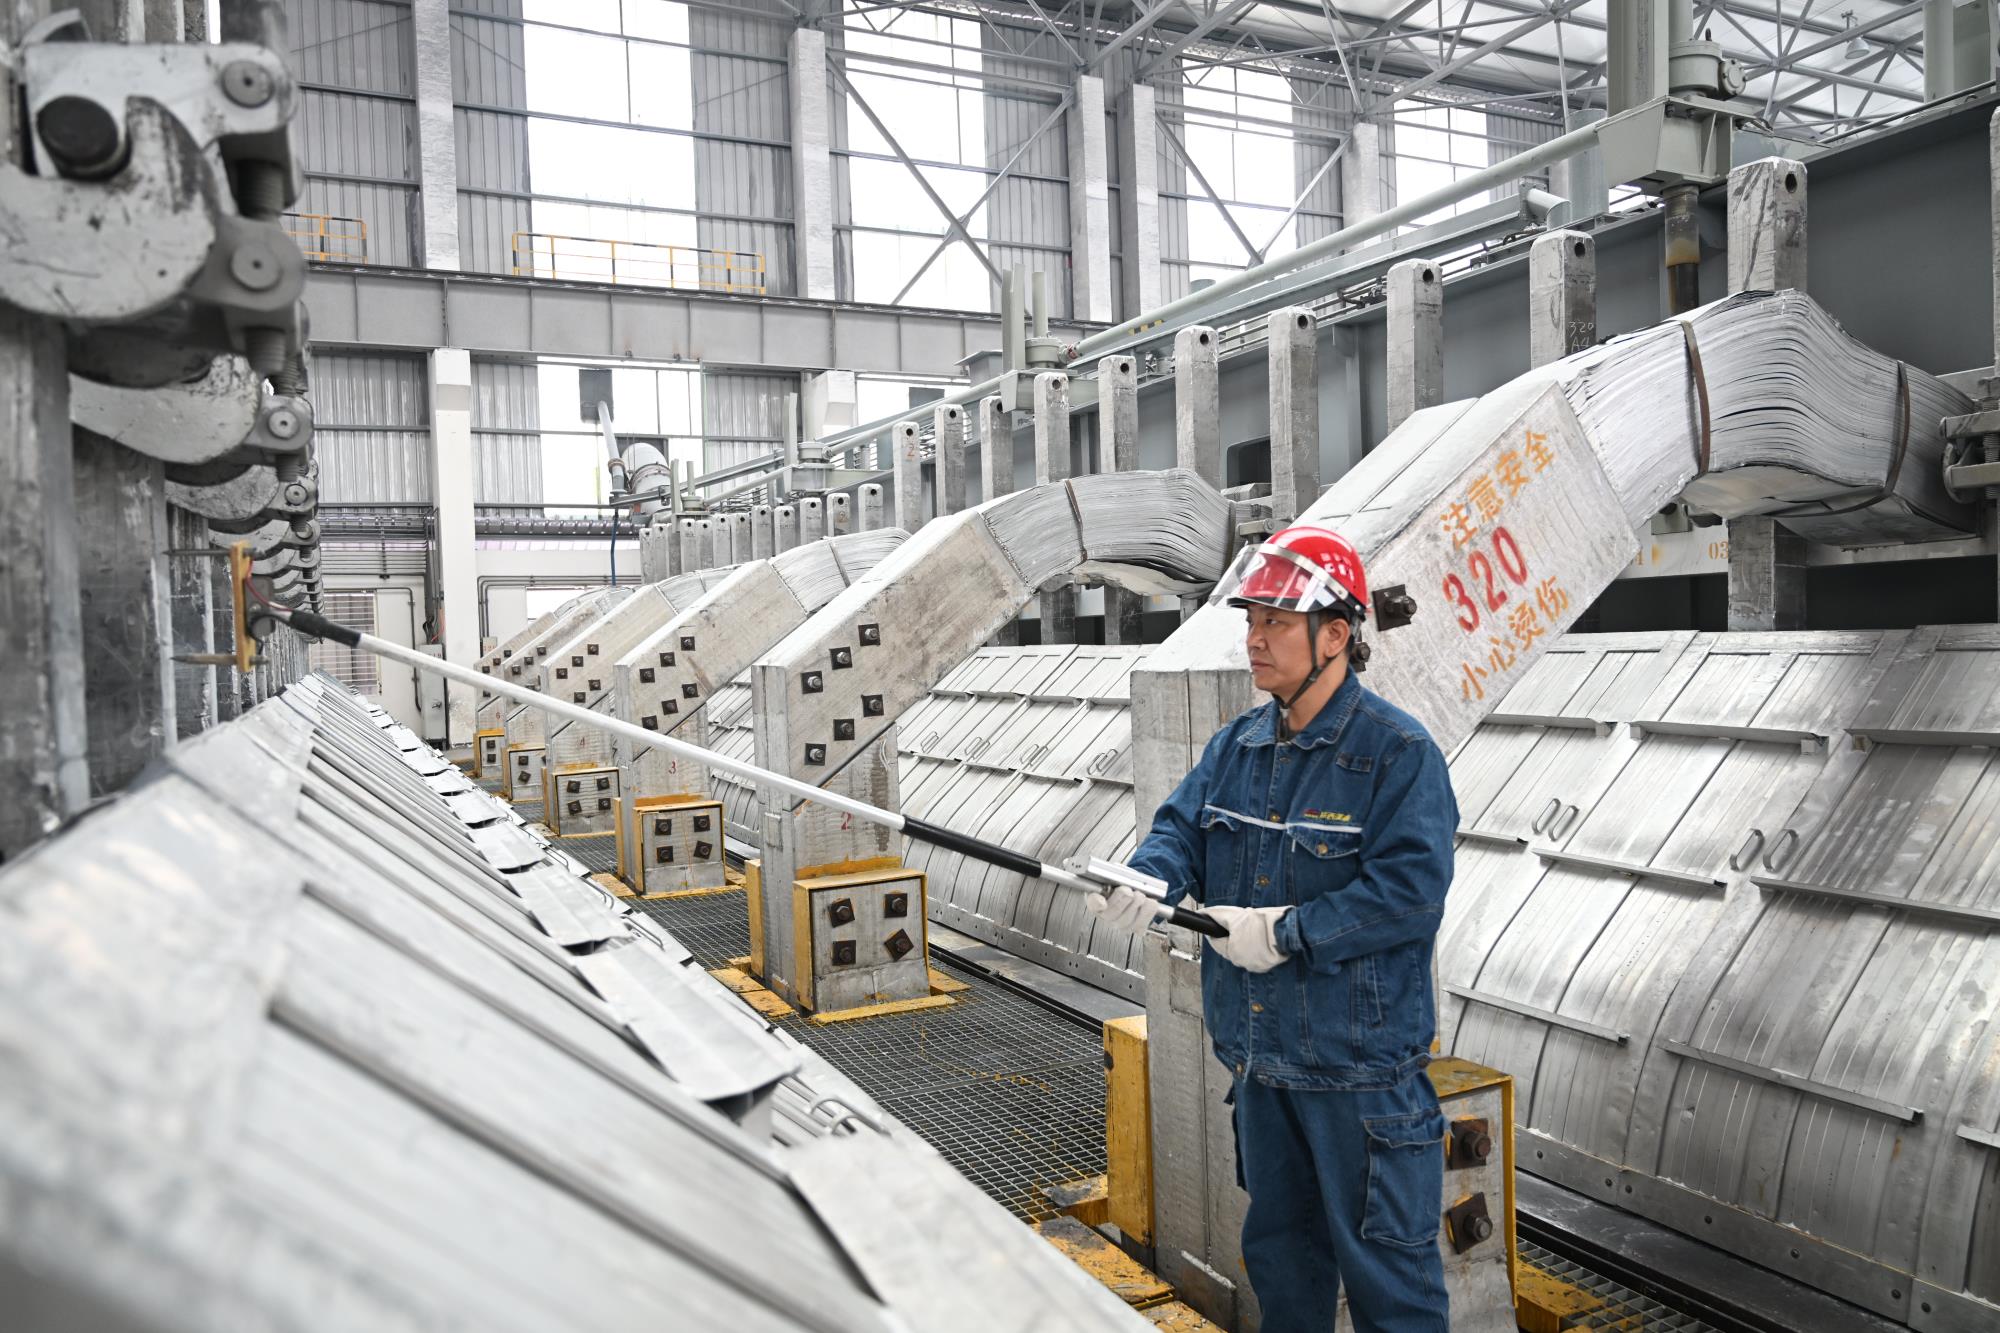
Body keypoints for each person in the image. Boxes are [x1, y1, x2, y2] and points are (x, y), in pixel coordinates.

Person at [1089, 524, 1457, 1333]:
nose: (1254, 639)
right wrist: (1148, 878)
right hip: (1264, 1071)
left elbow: (1409, 895)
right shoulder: (1239, 746)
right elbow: (1181, 831)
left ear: (1336, 635)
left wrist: (1287, 931)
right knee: (1284, 1280)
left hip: (1361, 1082)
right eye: (1252, 620)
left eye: (1275, 623)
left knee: (1392, 1291)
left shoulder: (1397, 754)